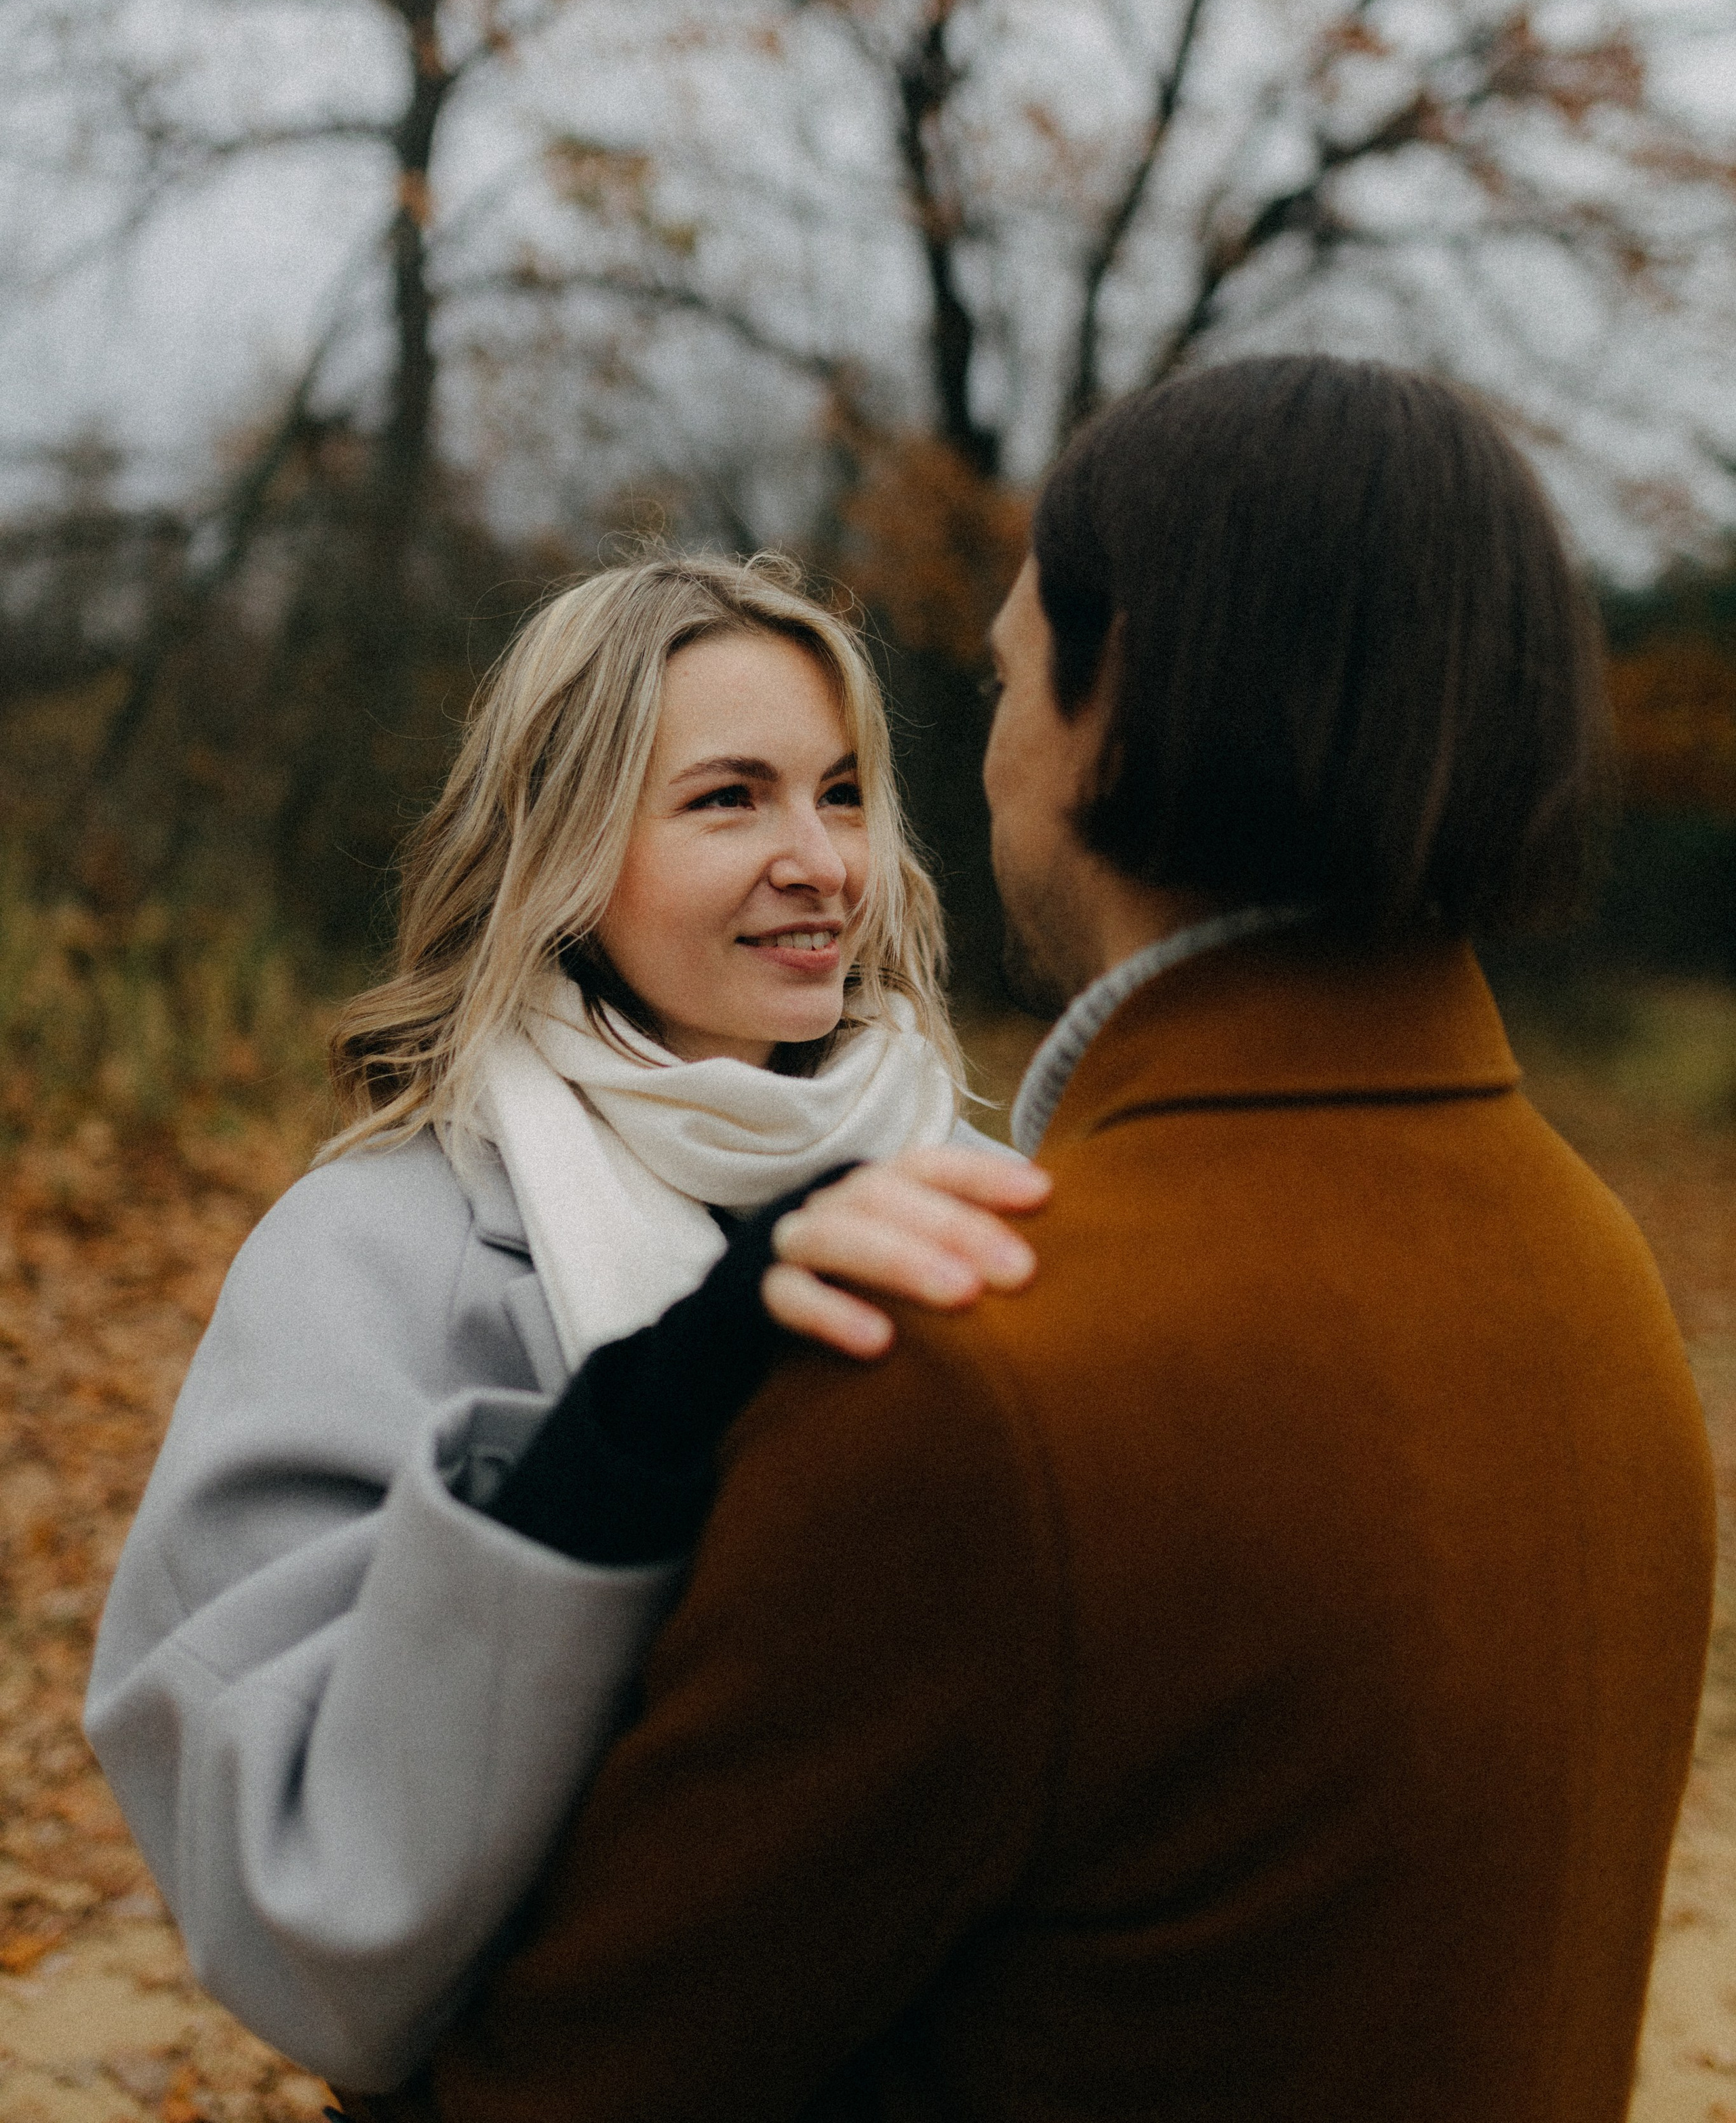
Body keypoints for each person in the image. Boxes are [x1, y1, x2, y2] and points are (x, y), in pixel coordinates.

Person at [340, 357, 1716, 2123]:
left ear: (1109, 711)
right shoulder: (1592, 1266)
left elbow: (559, 2083)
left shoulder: (982, 1366)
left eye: (1002, 679)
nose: (966, 762)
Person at [85, 554, 1050, 2090]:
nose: (819, 861)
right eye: (729, 799)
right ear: (566, 847)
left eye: (843, 792)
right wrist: (641, 1430)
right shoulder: (368, 1252)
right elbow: (295, 1911)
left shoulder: (991, 1198)